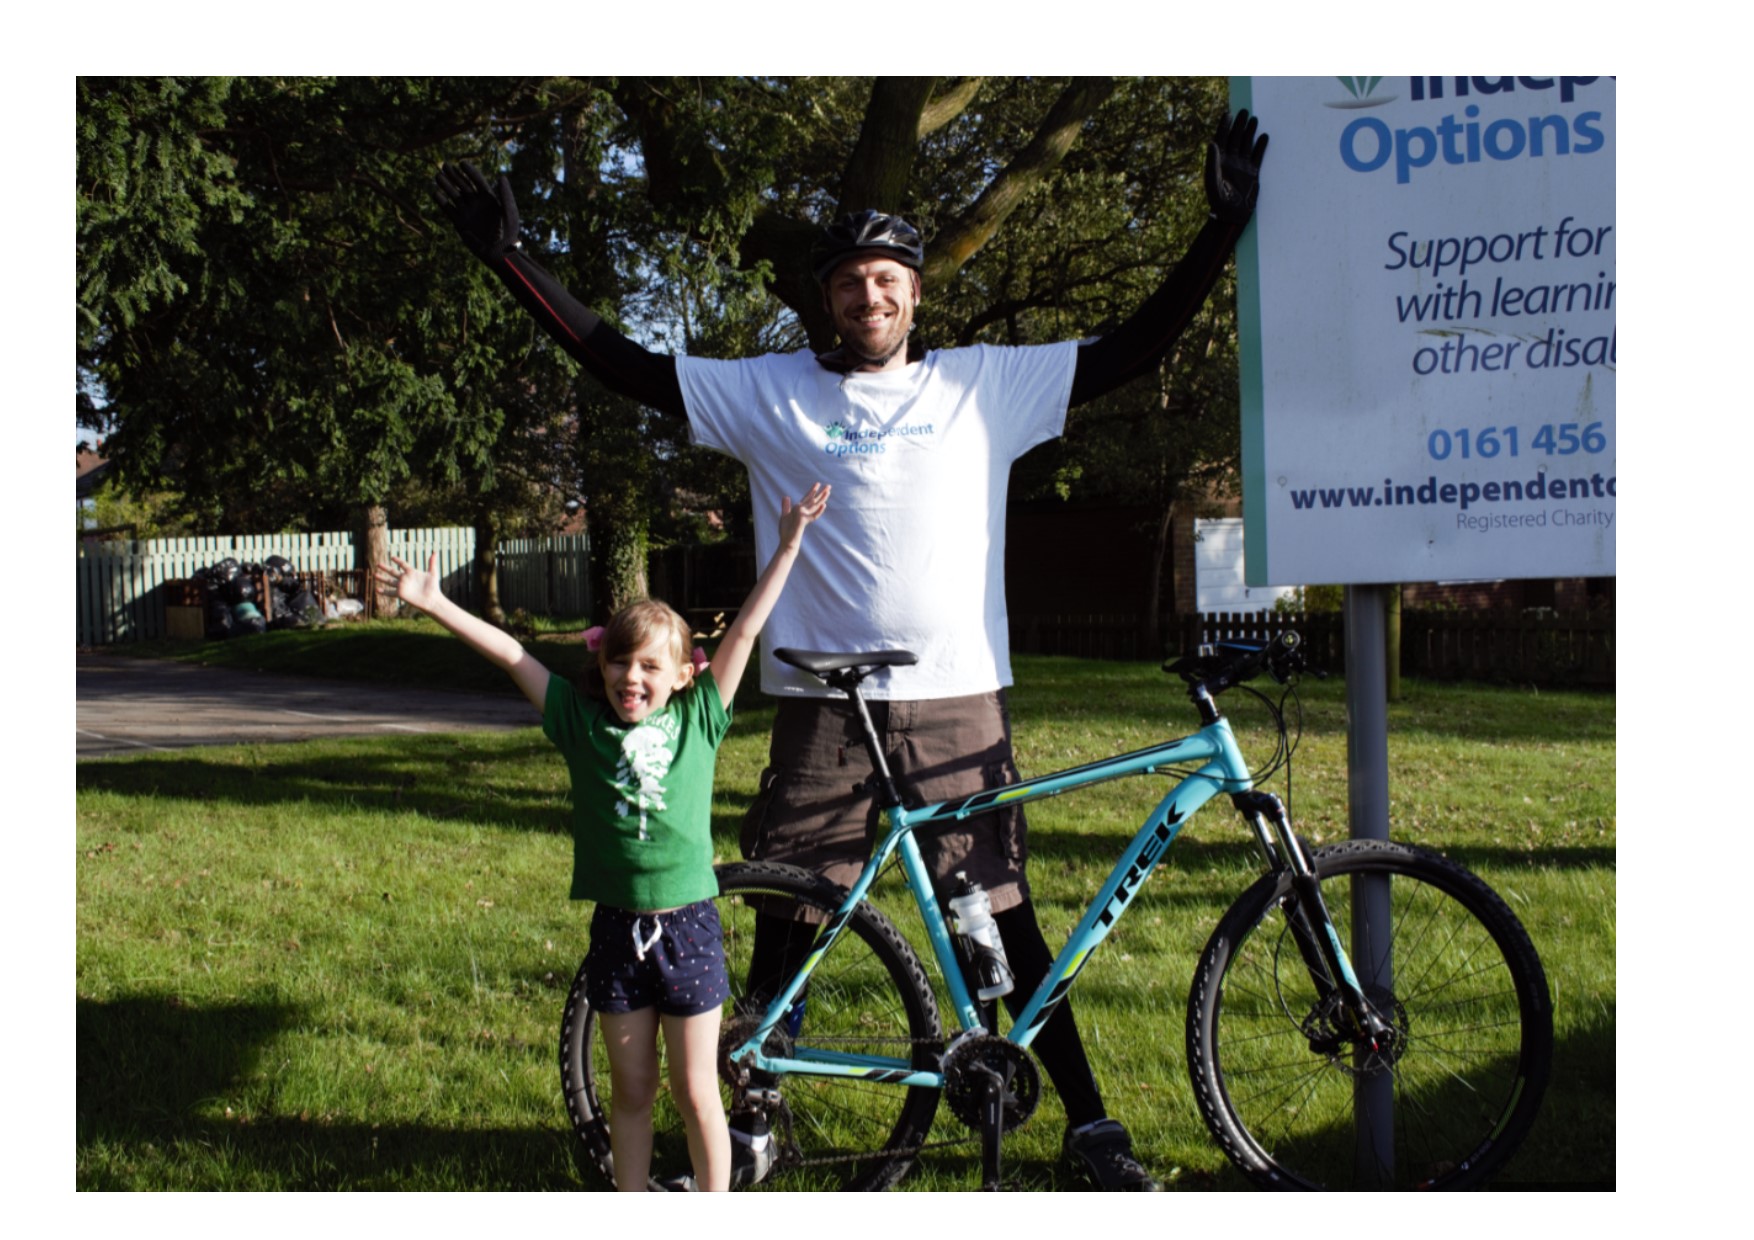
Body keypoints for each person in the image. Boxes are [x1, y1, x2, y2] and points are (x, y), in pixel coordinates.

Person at [432, 106, 1266, 1191]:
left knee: (998, 913)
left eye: (885, 280)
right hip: (822, 703)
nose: (866, 297)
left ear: (914, 294)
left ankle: (1089, 1125)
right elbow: (624, 363)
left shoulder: (984, 384)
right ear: (823, 300)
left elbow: (1134, 348)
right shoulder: (770, 391)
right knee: (790, 909)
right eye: (845, 282)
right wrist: (513, 262)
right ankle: (752, 1113)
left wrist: (1218, 231)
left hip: (959, 693)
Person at [375, 483, 832, 1193]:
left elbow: (744, 629)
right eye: (621, 661)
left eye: (652, 665)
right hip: (618, 935)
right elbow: (513, 655)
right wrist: (437, 604)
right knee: (632, 1095)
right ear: (603, 666)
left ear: (686, 676)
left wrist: (788, 545)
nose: (632, 676)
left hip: (690, 931)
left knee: (697, 1093)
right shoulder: (580, 724)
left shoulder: (702, 720)